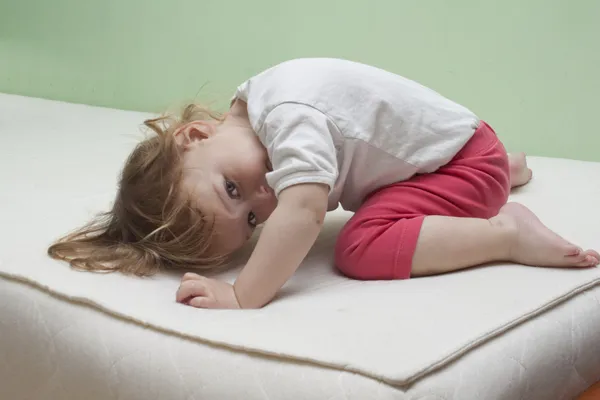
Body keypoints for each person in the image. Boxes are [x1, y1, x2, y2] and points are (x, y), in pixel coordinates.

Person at [48, 58, 599, 309]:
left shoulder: (289, 116)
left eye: (233, 191)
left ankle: (506, 232)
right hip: (460, 144)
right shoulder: (263, 96)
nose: (266, 200)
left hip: (457, 166)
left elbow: (307, 214)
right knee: (441, 177)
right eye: (253, 223)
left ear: (195, 134)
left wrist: (244, 295)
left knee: (360, 246)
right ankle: (507, 168)